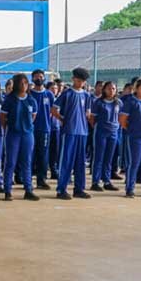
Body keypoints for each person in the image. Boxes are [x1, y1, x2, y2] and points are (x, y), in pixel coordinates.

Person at [52, 67, 92, 200]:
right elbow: (54, 109)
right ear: (73, 79)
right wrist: (62, 119)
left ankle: (79, 189)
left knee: (80, 162)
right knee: (66, 161)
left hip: (82, 132)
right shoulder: (67, 94)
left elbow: (87, 112)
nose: (81, 83)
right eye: (79, 80)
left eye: (83, 81)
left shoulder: (87, 95)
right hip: (69, 131)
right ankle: (61, 189)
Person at [0, 74, 38, 201]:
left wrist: (26, 127)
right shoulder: (9, 100)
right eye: (21, 83)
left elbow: (33, 117)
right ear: (16, 85)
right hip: (13, 134)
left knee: (27, 162)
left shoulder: (31, 100)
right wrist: (8, 129)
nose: (24, 86)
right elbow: (3, 118)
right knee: (10, 162)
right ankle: (7, 190)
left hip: (27, 134)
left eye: (26, 83)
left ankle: (28, 190)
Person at [89, 81, 121, 192]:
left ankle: (106, 181)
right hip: (101, 132)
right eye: (109, 88)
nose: (111, 91)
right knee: (99, 157)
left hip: (113, 132)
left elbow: (121, 117)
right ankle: (95, 182)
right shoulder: (99, 102)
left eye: (113, 88)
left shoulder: (118, 103)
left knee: (109, 157)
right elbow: (92, 119)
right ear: (104, 90)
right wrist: (97, 127)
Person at [28, 69, 55, 189]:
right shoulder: (29, 94)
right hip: (30, 130)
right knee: (29, 155)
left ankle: (41, 180)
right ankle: (27, 180)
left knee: (43, 155)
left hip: (45, 129)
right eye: (36, 77)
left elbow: (53, 110)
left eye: (41, 76)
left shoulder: (49, 94)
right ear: (32, 79)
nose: (39, 78)